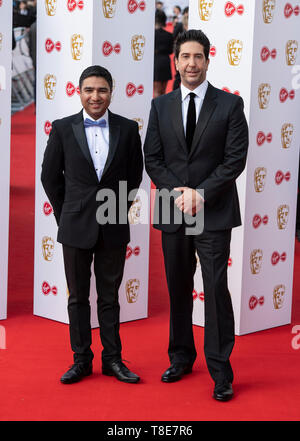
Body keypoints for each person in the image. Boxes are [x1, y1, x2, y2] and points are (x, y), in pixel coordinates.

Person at [144, 29, 248, 401]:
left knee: (215, 289)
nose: (191, 63)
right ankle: (181, 357)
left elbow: (234, 159)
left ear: (208, 59)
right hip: (173, 211)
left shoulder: (229, 105)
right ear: (176, 60)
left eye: (198, 56)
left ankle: (221, 370)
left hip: (214, 210)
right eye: (185, 56)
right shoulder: (160, 106)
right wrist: (178, 193)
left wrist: (200, 194)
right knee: (177, 288)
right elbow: (152, 158)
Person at [41, 65, 143, 385]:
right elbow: (49, 177)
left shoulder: (128, 129)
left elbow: (135, 175)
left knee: (110, 297)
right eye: (89, 90)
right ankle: (81, 359)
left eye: (101, 90)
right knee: (77, 298)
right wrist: (66, 214)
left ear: (111, 91)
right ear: (79, 92)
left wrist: (117, 208)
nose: (95, 96)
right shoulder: (61, 128)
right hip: (74, 225)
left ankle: (113, 359)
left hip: (112, 223)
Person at [153, 9, 174, 98]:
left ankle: (157, 111)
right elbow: (171, 51)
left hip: (156, 62)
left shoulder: (152, 34)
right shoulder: (169, 35)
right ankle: (162, 110)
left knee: (156, 91)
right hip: (165, 62)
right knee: (163, 91)